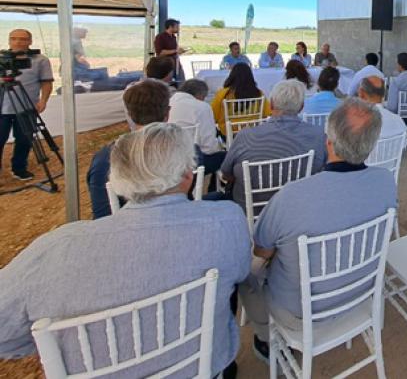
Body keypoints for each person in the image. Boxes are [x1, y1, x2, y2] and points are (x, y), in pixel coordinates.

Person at [0, 123, 251, 379]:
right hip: (203, 368)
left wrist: (56, 341)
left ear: (117, 181)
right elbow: (241, 274)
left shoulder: (56, 250)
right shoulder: (226, 220)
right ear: (188, 176)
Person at [239, 98, 395, 359]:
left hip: (299, 313)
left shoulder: (292, 196)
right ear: (371, 144)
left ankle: (266, 338)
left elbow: (262, 251)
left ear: (329, 141)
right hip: (360, 294)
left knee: (243, 271)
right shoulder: (386, 181)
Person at [216, 80, 327, 209]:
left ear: (272, 105)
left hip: (250, 211)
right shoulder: (318, 135)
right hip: (298, 209)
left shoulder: (245, 137)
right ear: (301, 106)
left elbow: (226, 173)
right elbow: (323, 170)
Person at [87, 79, 171, 219]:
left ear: (130, 114)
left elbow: (102, 214)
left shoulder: (105, 159)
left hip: (121, 231)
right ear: (167, 113)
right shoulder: (186, 151)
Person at [0, 29, 53, 181]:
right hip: (2, 106)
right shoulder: (1, 58)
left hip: (27, 106)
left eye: (22, 39)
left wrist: (43, 101)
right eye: (14, 39)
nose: (17, 42)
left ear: (30, 41)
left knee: (25, 139)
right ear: (9, 40)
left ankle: (19, 168)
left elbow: (46, 82)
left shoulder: (40, 59)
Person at [169, 79, 224, 176]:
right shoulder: (202, 107)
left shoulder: (169, 101)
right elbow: (208, 147)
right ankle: (215, 189)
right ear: (200, 95)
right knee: (227, 157)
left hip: (169, 158)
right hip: (192, 162)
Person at [211, 63, 271, 135]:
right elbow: (267, 113)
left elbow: (213, 115)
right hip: (253, 131)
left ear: (232, 75)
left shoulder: (223, 93)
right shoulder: (258, 93)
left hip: (229, 133)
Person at [358, 76, 406, 140]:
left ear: (361, 93)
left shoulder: (357, 124)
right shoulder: (399, 121)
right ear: (383, 94)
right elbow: (404, 145)